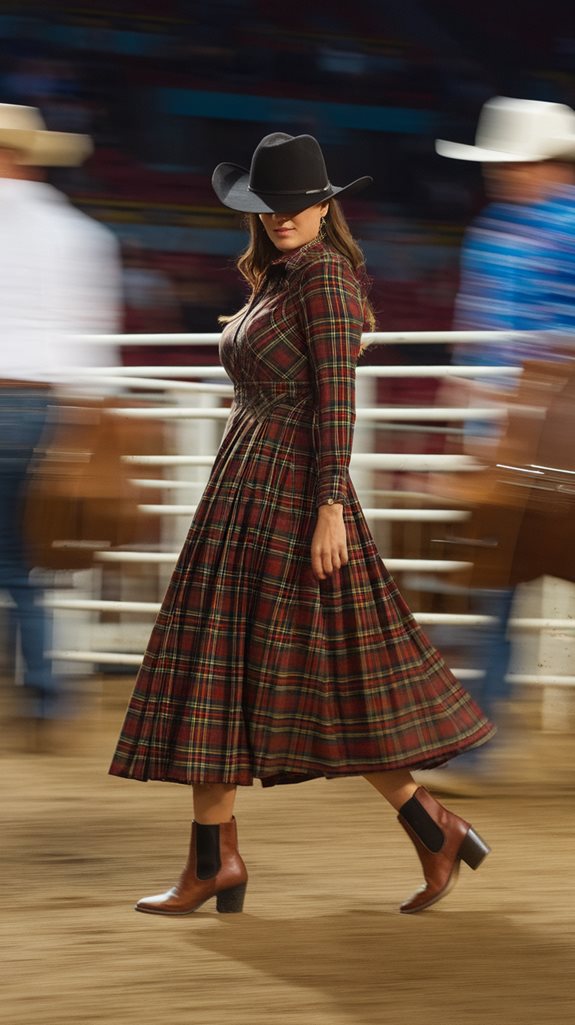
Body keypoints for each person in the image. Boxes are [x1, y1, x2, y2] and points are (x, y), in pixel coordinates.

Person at [109, 132, 494, 916]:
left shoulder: (321, 279)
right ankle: (416, 829)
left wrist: (327, 506)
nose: (282, 216)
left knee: (251, 671)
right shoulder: (279, 279)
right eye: (269, 205)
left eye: (296, 203)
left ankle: (238, 859)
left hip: (289, 498)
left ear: (325, 205)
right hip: (247, 493)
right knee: (268, 673)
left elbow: (337, 402)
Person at [431, 97, 575, 768]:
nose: (501, 174)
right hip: (528, 435)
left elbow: (481, 345)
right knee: (494, 579)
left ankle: (472, 746)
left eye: (511, 162)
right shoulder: (499, 232)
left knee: (495, 579)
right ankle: (471, 745)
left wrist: (478, 425)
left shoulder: (495, 235)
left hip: (523, 434)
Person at [0, 103, 120, 729]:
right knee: (20, 555)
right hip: (42, 406)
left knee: (12, 554)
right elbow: (90, 335)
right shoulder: (79, 233)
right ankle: (47, 691)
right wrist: (82, 420)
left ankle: (44, 688)